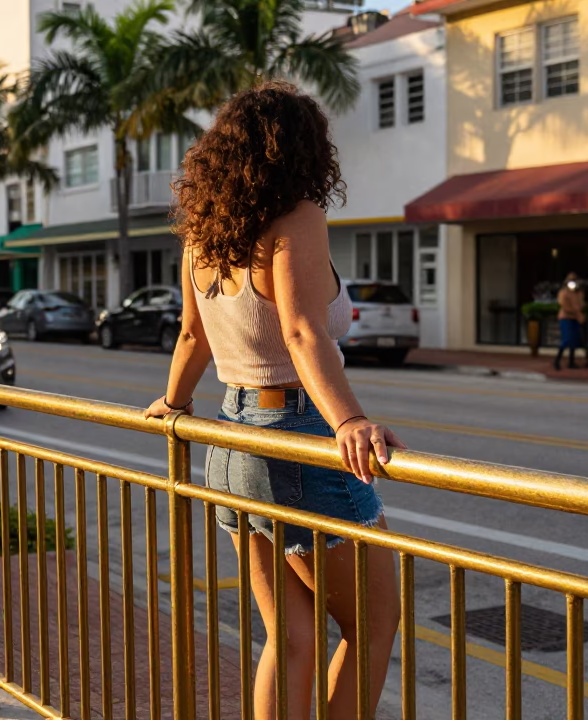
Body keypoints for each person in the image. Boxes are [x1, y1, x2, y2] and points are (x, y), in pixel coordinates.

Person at [144, 83, 403, 720]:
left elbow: (192, 335)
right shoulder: (298, 216)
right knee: (372, 624)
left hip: (234, 439)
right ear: (304, 149)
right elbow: (300, 329)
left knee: (289, 639)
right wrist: (348, 418)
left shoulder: (203, 236)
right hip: (295, 433)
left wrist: (173, 405)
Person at [553, 272, 584, 370]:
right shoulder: (563, 292)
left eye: (574, 280)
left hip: (575, 319)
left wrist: (579, 314)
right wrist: (577, 314)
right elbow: (565, 307)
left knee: (574, 341)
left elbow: (580, 305)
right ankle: (557, 361)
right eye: (571, 280)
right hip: (566, 318)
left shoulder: (578, 293)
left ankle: (571, 362)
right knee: (566, 340)